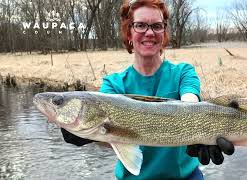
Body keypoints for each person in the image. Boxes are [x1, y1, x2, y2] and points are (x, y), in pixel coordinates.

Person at [61, 0, 235, 179]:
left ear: (164, 32)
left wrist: (199, 130)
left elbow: (189, 100)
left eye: (157, 26)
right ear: (129, 32)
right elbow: (112, 140)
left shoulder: (183, 72)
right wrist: (88, 134)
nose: (150, 32)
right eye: (140, 25)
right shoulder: (113, 85)